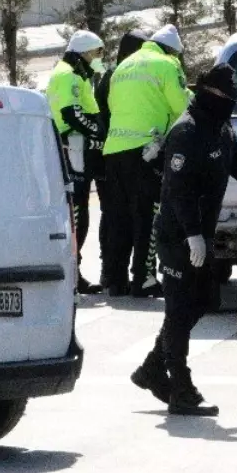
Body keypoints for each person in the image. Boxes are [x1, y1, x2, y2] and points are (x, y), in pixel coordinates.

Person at [130, 63, 237, 416]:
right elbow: (178, 191)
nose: (231, 104)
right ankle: (181, 389)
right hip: (179, 235)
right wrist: (192, 235)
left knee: (200, 301)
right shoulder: (187, 132)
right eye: (226, 97)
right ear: (210, 95)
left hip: (202, 234)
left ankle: (151, 368)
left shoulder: (221, 127)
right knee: (178, 311)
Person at [103, 24, 191, 298]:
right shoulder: (167, 64)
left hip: (114, 149)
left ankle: (115, 280)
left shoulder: (124, 65)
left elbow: (112, 106)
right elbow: (182, 106)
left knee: (118, 218)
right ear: (173, 50)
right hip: (146, 150)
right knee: (148, 217)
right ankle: (144, 278)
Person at [45, 29, 106, 295]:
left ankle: (74, 271)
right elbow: (71, 113)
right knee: (76, 213)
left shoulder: (75, 75)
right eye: (94, 54)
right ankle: (72, 273)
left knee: (80, 212)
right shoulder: (67, 76)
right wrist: (97, 130)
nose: (96, 59)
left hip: (77, 149)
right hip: (72, 149)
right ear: (82, 54)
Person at [94, 28, 152, 294]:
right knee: (131, 217)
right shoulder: (129, 76)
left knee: (114, 217)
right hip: (128, 154)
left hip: (110, 155)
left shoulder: (111, 75)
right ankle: (120, 274)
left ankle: (112, 275)